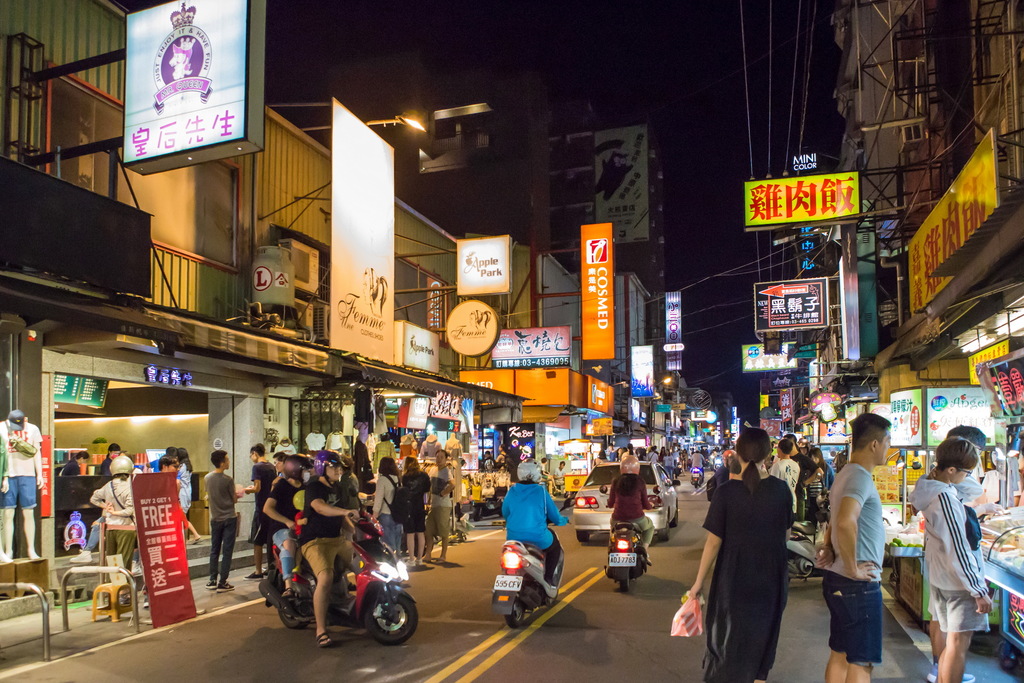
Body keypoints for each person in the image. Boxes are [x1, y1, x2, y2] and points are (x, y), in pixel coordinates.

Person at [688, 428, 792, 683]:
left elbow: (713, 543)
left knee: (729, 641)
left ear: (737, 454)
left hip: (733, 579)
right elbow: (786, 536)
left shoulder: (726, 493)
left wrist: (698, 583)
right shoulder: (781, 491)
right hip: (772, 579)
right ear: (769, 454)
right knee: (763, 642)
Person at [909, 437, 993, 683]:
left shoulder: (931, 487)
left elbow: (971, 491)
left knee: (952, 644)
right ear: (952, 469)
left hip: (942, 578)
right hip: (958, 583)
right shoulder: (944, 497)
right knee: (958, 644)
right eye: (967, 471)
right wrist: (978, 589)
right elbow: (959, 546)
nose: (968, 477)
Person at [815, 412, 891, 683]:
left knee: (840, 652)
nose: (888, 448)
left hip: (838, 579)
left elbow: (836, 518)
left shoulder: (846, 473)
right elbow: (846, 521)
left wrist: (828, 546)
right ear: (874, 444)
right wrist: (853, 569)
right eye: (887, 442)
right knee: (861, 662)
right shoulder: (860, 477)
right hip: (857, 585)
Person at [302, 451, 356, 648]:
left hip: (337, 539)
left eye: (339, 467)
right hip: (315, 541)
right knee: (325, 577)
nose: (339, 470)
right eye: (334, 466)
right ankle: (321, 630)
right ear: (321, 467)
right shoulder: (314, 487)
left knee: (364, 563)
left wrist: (359, 528)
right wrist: (344, 511)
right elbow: (320, 507)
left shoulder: (338, 487)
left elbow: (343, 518)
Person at [502, 459, 569, 593]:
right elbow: (554, 515)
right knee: (554, 547)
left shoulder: (512, 490)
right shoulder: (541, 491)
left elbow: (505, 512)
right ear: (536, 474)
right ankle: (549, 579)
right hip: (538, 537)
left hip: (514, 538)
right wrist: (563, 520)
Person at [263, 455, 307, 596]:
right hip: (282, 529)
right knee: (289, 544)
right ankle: (288, 585)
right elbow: (267, 508)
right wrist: (287, 522)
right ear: (294, 470)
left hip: (304, 527)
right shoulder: (281, 485)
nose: (307, 472)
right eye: (304, 469)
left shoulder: (308, 487)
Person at [89, 455, 137, 568]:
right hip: (126, 529)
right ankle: (122, 584)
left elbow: (94, 499)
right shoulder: (130, 486)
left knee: (112, 561)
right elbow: (130, 510)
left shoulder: (108, 485)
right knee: (123, 563)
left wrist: (106, 507)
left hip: (111, 527)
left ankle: (112, 583)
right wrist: (117, 512)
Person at [205, 450, 238, 593]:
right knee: (227, 551)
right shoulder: (228, 480)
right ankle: (223, 581)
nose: (229, 462)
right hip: (229, 517)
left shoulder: (207, 478)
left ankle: (212, 579)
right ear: (222, 462)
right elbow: (234, 499)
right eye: (227, 460)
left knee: (214, 549)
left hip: (215, 518)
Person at [607, 454, 654, 552]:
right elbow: (645, 503)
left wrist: (610, 504)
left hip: (617, 518)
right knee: (650, 527)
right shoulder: (640, 481)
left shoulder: (616, 481)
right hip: (637, 518)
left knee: (613, 531)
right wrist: (651, 506)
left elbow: (611, 502)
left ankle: (611, 549)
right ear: (637, 468)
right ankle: (644, 550)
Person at [244, 444, 276, 580]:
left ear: (255, 453)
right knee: (270, 540)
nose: (251, 458)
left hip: (261, 508)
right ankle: (271, 567)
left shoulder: (257, 467)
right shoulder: (271, 467)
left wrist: (247, 490)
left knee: (257, 541)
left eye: (251, 455)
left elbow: (257, 488)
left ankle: (258, 571)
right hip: (272, 507)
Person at [424, 449, 455, 563]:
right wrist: (428, 501)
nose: (439, 459)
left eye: (442, 457)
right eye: (438, 457)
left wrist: (443, 493)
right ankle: (428, 554)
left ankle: (443, 555)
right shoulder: (432, 470)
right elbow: (429, 488)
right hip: (433, 504)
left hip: (443, 505)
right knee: (429, 530)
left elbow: (453, 484)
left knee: (443, 531)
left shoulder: (447, 471)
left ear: (446, 459)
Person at [402, 455, 430, 566]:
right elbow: (427, 489)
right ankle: (419, 558)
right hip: (420, 505)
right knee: (420, 532)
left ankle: (412, 559)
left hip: (409, 507)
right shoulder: (424, 475)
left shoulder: (405, 477)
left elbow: (403, 491)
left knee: (410, 533)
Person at [372, 456, 404, 553]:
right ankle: (398, 561)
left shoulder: (382, 480)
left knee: (388, 545)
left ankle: (391, 564)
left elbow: (378, 500)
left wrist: (374, 516)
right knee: (397, 542)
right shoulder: (398, 479)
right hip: (398, 514)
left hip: (386, 514)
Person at [176, 448, 202, 544]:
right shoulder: (188, 466)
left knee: (182, 517)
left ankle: (195, 535)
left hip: (181, 493)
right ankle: (188, 537)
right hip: (187, 492)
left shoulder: (181, 467)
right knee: (183, 516)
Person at [769, 437, 801, 516]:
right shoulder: (796, 465)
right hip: (793, 501)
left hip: (780, 504)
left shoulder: (778, 465)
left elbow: (773, 485)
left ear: (779, 449)